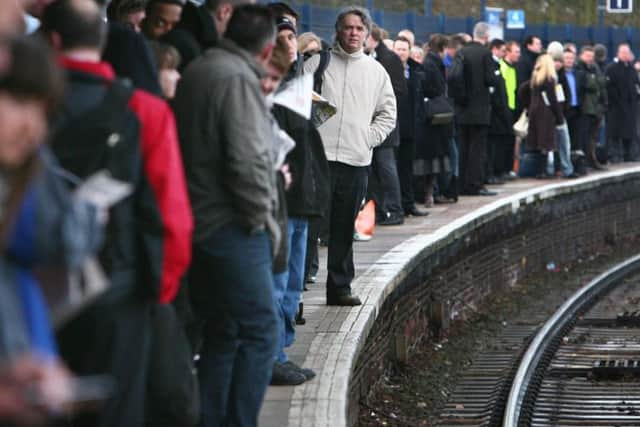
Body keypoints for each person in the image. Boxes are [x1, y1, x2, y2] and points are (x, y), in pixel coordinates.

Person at [41, 2, 193, 426]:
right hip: (118, 295)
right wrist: (157, 293)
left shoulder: (23, 103)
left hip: (32, 290)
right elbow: (173, 217)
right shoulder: (146, 111)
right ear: (102, 42)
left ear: (51, 40)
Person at [172, 5, 280, 426]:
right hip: (231, 225)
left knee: (224, 331)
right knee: (261, 330)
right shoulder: (237, 80)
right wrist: (264, 222)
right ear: (268, 48)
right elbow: (249, 161)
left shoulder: (201, 68)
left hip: (198, 222)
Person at [304, 6, 396, 306]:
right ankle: (299, 286)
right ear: (338, 30)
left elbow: (387, 114)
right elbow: (296, 106)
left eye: (359, 29)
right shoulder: (316, 64)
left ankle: (340, 287)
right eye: (348, 27)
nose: (353, 33)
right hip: (318, 159)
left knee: (344, 226)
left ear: (367, 34)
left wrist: (367, 139)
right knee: (310, 225)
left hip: (356, 160)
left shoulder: (376, 71)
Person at [269, 12, 329, 386]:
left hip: (304, 194)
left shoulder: (299, 81)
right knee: (277, 279)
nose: (291, 46)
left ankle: (284, 349)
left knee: (293, 280)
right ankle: (273, 355)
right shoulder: (267, 87)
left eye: (293, 38)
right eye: (284, 39)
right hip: (283, 196)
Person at [365, 24, 406, 225]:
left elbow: (398, 91)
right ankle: (380, 210)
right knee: (374, 172)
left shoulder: (389, 59)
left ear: (371, 38)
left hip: (384, 124)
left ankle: (395, 209)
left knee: (386, 168)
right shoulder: (372, 58)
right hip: (372, 124)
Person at [454, 22, 497, 196]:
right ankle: (475, 184)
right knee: (477, 149)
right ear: (486, 37)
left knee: (463, 147)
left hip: (462, 109)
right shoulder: (485, 54)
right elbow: (490, 79)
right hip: (479, 110)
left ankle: (462, 184)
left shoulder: (462, 52)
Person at [418, 34, 455, 205]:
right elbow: (434, 88)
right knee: (433, 160)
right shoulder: (432, 65)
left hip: (434, 119)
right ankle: (430, 194)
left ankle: (433, 193)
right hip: (433, 119)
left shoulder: (431, 63)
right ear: (442, 48)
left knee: (434, 160)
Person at [518, 54, 564, 177]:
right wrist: (560, 118)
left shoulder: (535, 79)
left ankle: (539, 171)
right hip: (546, 114)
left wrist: (528, 105)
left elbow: (521, 90)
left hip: (534, 112)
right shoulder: (549, 79)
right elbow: (553, 100)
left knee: (538, 143)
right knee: (546, 143)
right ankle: (545, 171)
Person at [606, 43, 639, 163]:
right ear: (618, 54)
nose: (625, 55)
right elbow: (609, 88)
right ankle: (615, 155)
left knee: (630, 132)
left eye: (627, 53)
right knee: (615, 132)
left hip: (631, 106)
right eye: (623, 53)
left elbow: (636, 85)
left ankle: (629, 154)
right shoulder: (611, 68)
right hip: (616, 107)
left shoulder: (632, 69)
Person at [576, 45, 606, 169]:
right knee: (584, 137)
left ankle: (592, 160)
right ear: (581, 55)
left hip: (596, 108)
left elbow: (602, 83)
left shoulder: (594, 68)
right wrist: (593, 80)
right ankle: (584, 162)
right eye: (587, 56)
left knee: (593, 137)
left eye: (591, 56)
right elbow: (590, 84)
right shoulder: (579, 68)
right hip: (585, 108)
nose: (590, 59)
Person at [487, 39, 512, 184]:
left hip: (502, 110)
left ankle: (496, 172)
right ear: (494, 49)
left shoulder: (498, 65)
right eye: (503, 50)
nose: (504, 54)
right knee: (492, 146)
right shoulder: (494, 65)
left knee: (497, 146)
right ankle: (491, 173)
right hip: (496, 113)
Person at [550, 44, 577, 178]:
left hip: (561, 115)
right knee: (550, 145)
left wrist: (563, 111)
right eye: (556, 61)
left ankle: (567, 169)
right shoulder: (547, 76)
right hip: (550, 115)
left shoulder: (562, 77)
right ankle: (551, 169)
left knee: (564, 143)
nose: (558, 64)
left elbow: (567, 94)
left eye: (560, 61)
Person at [499, 41, 520, 177]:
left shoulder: (513, 68)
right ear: (508, 52)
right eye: (516, 51)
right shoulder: (503, 67)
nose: (519, 54)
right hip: (504, 108)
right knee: (503, 140)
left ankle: (508, 168)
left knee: (511, 140)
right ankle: (501, 169)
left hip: (512, 108)